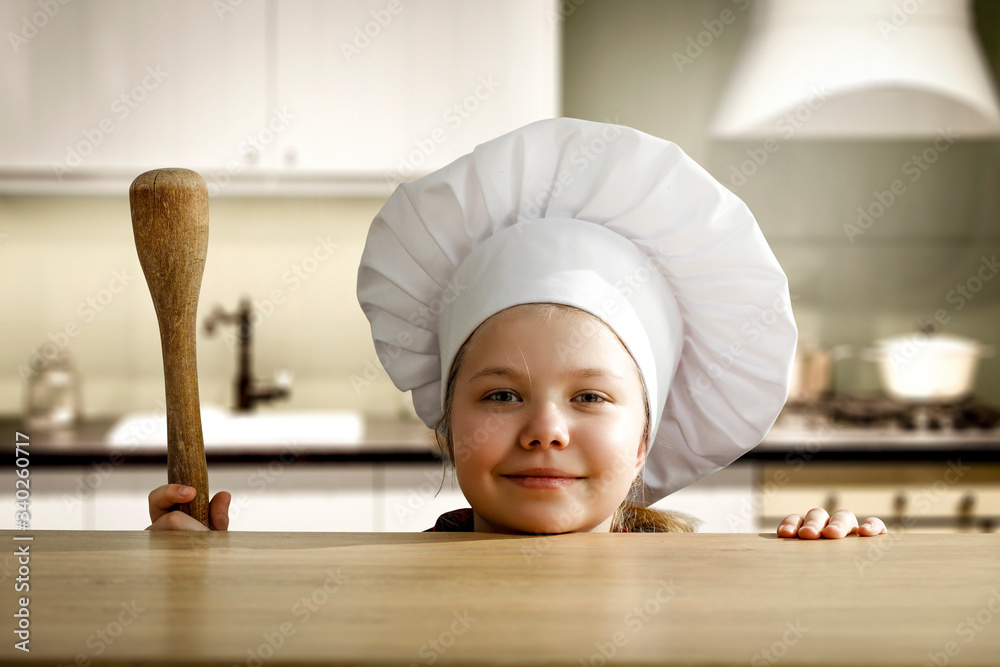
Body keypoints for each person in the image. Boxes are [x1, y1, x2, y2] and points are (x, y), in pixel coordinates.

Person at [147, 118, 886, 539]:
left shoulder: (695, 591)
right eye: (500, 396)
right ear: (445, 421)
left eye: (592, 397)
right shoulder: (397, 594)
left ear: (644, 441)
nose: (544, 430)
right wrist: (194, 582)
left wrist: (833, 562)